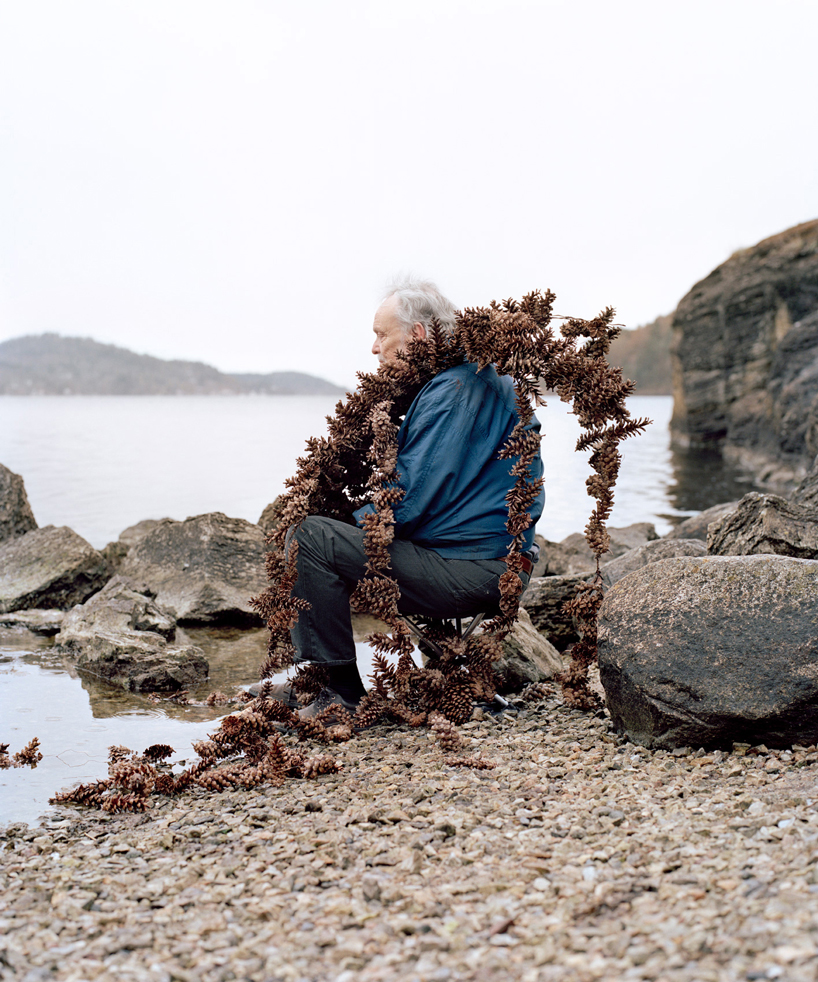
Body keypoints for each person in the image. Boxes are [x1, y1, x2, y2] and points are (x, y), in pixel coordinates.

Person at [271, 278, 545, 717]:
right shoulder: (476, 381)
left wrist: (339, 523)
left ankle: (337, 692)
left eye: (381, 334)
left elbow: (408, 502)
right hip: (495, 563)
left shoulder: (453, 391)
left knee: (310, 536)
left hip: (475, 572)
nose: (374, 349)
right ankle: (335, 679)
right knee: (327, 534)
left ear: (418, 335)